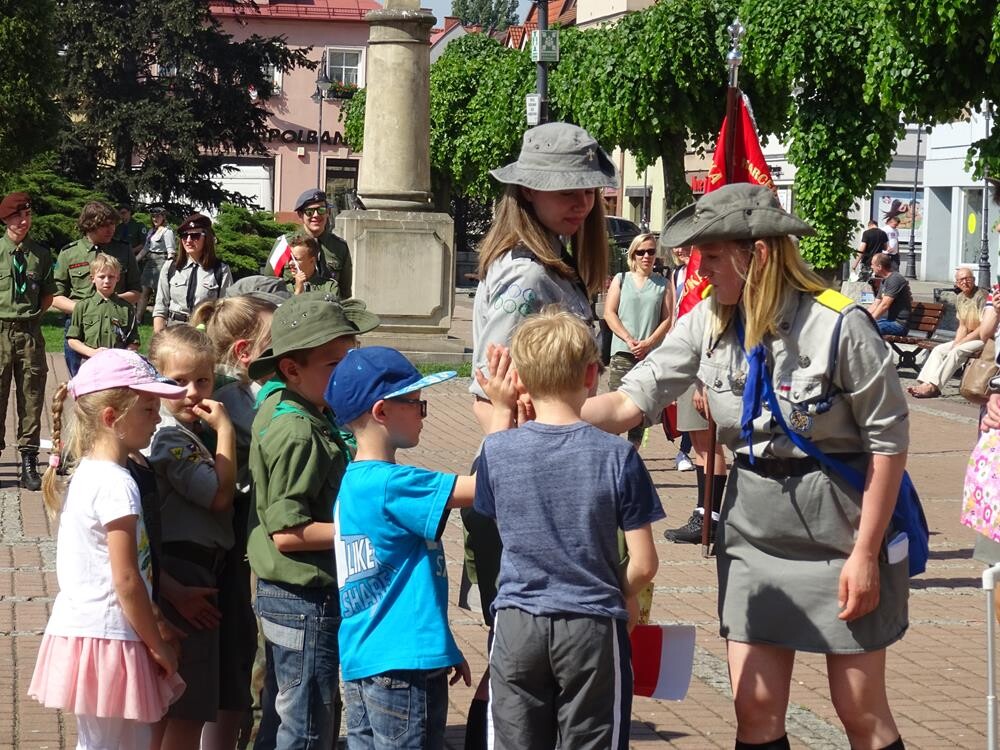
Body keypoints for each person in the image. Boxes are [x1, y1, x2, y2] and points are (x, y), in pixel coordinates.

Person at [582, 184, 910, 750]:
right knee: (754, 714)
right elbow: (629, 400)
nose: (699, 270)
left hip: (841, 529)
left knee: (860, 713)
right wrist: (550, 413)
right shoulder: (705, 322)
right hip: (753, 530)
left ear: (755, 253)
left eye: (710, 256)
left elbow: (888, 445)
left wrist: (864, 554)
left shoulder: (837, 325)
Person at [463, 121, 616, 743]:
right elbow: (488, 394)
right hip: (529, 482)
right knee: (519, 663)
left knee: (522, 657)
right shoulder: (528, 278)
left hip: (535, 473)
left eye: (587, 191)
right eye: (564, 191)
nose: (580, 202)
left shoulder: (555, 264)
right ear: (526, 192)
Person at [475, 307, 663, 748]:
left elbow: (503, 529)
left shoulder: (497, 453)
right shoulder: (618, 457)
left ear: (520, 378)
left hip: (518, 621)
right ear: (591, 374)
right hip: (592, 624)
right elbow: (645, 563)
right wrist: (614, 589)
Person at [326, 346, 515, 749]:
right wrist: (501, 413)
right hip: (404, 667)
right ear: (381, 412)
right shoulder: (393, 483)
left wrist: (440, 645)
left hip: (368, 660)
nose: (423, 413)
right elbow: (489, 486)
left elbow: (395, 582)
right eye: (415, 403)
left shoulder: (353, 482)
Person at [29, 349, 187, 749]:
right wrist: (158, 645)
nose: (157, 419)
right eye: (149, 409)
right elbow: (127, 579)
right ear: (111, 418)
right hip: (110, 636)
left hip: (91, 632)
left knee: (103, 742)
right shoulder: (117, 483)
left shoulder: (89, 474)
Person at [246, 294, 379, 750]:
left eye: (349, 359)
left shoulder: (291, 401)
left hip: (292, 595)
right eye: (332, 364)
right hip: (304, 597)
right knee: (308, 723)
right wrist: (368, 530)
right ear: (290, 369)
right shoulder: (298, 431)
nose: (346, 373)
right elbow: (287, 533)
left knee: (285, 714)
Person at [189, 293, 277, 749]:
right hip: (239, 542)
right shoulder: (234, 399)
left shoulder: (242, 391)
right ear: (246, 353)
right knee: (245, 657)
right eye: (277, 342)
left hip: (240, 539)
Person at [146, 325, 238, 750]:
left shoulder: (182, 433)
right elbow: (218, 498)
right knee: (186, 706)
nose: (193, 392)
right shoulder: (170, 439)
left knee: (178, 704)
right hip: (187, 568)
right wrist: (226, 433)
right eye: (177, 381)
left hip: (197, 566)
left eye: (203, 380)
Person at [661, 244, 728, 544]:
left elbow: (711, 326)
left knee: (709, 446)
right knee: (701, 446)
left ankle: (710, 517)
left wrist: (702, 377)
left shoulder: (705, 264)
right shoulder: (686, 268)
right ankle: (703, 511)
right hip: (690, 363)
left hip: (702, 367)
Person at [0, 192, 55, 491]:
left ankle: (29, 461)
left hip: (30, 333)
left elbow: (47, 295)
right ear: (6, 220)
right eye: (17, 217)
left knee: (32, 396)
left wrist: (30, 317)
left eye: (27, 215)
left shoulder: (40, 254)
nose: (23, 221)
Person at [52, 200, 141, 377]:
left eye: (113, 224)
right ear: (90, 225)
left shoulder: (123, 250)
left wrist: (112, 304)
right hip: (80, 326)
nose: (111, 229)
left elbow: (136, 291)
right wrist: (85, 309)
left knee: (116, 380)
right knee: (80, 380)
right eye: (105, 225)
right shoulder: (70, 253)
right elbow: (55, 296)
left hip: (117, 324)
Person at [603, 233, 671, 448]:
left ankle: (632, 454)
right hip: (623, 352)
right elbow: (609, 313)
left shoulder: (663, 284)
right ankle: (612, 453)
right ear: (633, 254)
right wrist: (629, 339)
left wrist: (649, 343)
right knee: (616, 407)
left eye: (651, 251)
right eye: (641, 252)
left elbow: (668, 319)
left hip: (649, 356)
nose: (646, 256)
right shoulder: (621, 279)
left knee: (639, 410)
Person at [908, 267, 987, 398]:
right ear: (956, 283)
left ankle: (933, 386)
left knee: (957, 351)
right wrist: (957, 342)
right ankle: (926, 383)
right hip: (969, 337)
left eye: (968, 278)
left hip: (984, 339)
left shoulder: (981, 296)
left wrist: (960, 343)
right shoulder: (960, 297)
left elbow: (983, 328)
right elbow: (962, 326)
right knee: (939, 350)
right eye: (961, 280)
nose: (965, 282)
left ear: (973, 279)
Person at [153, 214, 233, 332]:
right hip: (175, 329)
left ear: (207, 238)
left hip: (205, 331)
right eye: (184, 236)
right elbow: (161, 306)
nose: (189, 240)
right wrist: (158, 336)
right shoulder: (170, 267)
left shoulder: (220, 269)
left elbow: (226, 309)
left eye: (195, 236)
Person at [271, 189, 352, 298]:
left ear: (328, 212)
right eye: (309, 212)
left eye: (321, 210)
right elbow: (269, 286)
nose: (316, 215)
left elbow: (345, 292)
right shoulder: (285, 244)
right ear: (300, 215)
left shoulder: (339, 247)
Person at [66, 253, 140, 359]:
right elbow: (72, 340)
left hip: (118, 363)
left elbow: (134, 340)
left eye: (111, 277)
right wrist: (92, 352)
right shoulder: (82, 306)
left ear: (117, 278)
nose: (107, 281)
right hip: (90, 362)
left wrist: (124, 355)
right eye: (102, 277)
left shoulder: (126, 308)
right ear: (93, 278)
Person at [138, 206, 176, 322]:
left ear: (163, 217)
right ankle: (138, 319)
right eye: (153, 216)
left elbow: (171, 251)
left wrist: (168, 267)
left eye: (158, 216)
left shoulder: (167, 231)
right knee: (143, 290)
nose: (155, 218)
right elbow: (145, 249)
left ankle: (161, 319)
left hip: (162, 262)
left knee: (160, 294)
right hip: (150, 262)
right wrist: (135, 260)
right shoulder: (151, 231)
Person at [867, 251, 912, 335]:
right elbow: (876, 304)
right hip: (889, 321)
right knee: (862, 326)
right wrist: (862, 316)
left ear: (879, 267)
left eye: (872, 264)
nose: (871, 267)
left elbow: (884, 305)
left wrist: (870, 321)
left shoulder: (895, 279)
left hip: (899, 324)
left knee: (869, 328)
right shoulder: (885, 280)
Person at [284, 231, 341, 296]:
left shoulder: (329, 287)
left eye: (296, 259)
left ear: (312, 261)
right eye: (290, 259)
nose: (290, 263)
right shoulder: (286, 289)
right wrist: (298, 292)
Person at [882, 202, 906, 270]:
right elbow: (883, 240)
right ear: (891, 222)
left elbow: (896, 240)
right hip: (887, 253)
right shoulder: (885, 229)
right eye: (895, 224)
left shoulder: (896, 230)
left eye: (897, 225)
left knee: (895, 269)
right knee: (886, 269)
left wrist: (898, 252)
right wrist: (888, 247)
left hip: (895, 254)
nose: (896, 226)